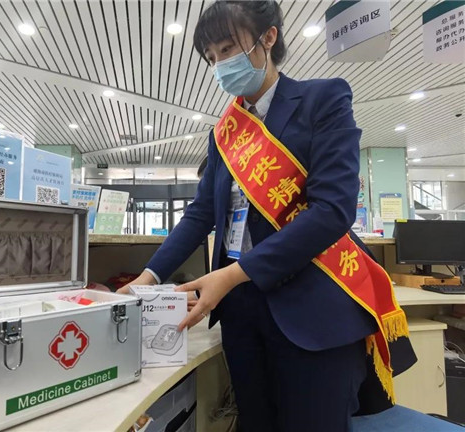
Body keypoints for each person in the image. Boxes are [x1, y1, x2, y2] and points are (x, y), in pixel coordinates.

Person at [118, 2, 415, 431]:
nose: (220, 65)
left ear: (268, 38)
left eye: (227, 49)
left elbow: (332, 210)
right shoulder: (224, 133)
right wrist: (147, 278)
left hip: (312, 307)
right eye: (211, 57)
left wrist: (232, 275)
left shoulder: (323, 99)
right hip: (241, 312)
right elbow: (201, 213)